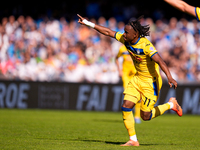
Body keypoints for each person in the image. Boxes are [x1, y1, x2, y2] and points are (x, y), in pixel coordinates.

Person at [77, 14, 182, 147]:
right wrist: (88, 23)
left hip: (151, 83)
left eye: (126, 32)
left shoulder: (146, 45)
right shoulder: (126, 40)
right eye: (124, 32)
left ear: (136, 34)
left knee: (146, 116)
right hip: (137, 78)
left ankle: (171, 105)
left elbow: (160, 60)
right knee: (126, 105)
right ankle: (133, 140)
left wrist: (169, 76)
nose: (124, 34)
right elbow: (108, 32)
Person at [115, 45, 141, 124]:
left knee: (138, 95)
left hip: (136, 74)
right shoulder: (122, 48)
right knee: (128, 95)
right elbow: (116, 58)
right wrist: (119, 70)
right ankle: (128, 116)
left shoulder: (137, 47)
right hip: (126, 75)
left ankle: (137, 116)